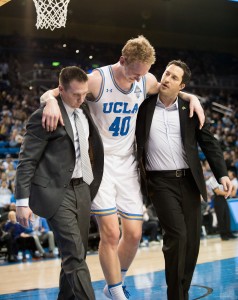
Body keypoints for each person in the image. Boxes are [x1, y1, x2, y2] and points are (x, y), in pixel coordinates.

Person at [40, 36, 205, 299]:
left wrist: (190, 96)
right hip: (100, 165)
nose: (139, 80)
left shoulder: (146, 79)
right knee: (111, 232)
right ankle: (117, 293)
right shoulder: (97, 80)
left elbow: (170, 89)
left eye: (143, 75)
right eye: (134, 74)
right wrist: (48, 100)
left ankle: (114, 283)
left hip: (128, 164)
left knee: (134, 233)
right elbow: (58, 90)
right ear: (122, 60)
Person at [136, 60, 232, 300]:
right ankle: (176, 296)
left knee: (191, 243)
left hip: (189, 181)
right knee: (177, 236)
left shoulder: (190, 109)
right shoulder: (143, 105)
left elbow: (209, 142)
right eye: (166, 73)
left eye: (173, 77)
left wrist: (222, 174)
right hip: (159, 182)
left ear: (182, 85)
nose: (166, 79)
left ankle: (182, 292)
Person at [15, 66, 104, 300]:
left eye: (84, 94)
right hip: (56, 192)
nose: (81, 99)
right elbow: (26, 161)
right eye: (76, 94)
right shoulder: (44, 115)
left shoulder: (83, 107)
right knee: (74, 253)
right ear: (61, 90)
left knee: (77, 255)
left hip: (82, 188)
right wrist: (21, 202)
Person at [207, 175, 237, 241]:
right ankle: (223, 235)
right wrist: (228, 193)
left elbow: (230, 188)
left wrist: (231, 190)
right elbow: (217, 192)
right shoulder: (212, 179)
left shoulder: (222, 178)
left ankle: (229, 233)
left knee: (227, 216)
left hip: (224, 198)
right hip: (217, 199)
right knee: (221, 217)